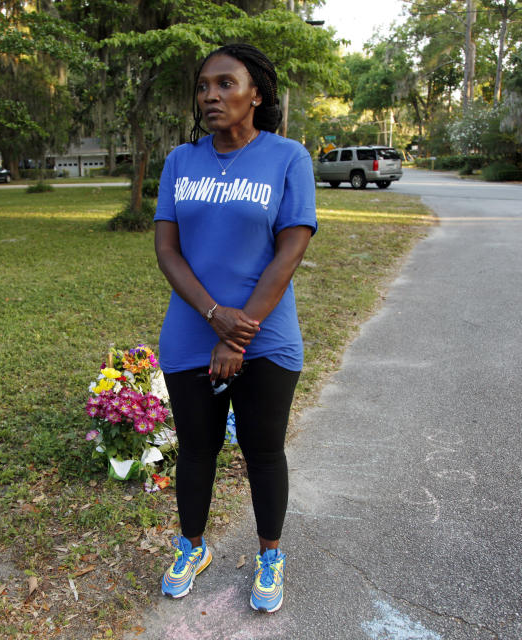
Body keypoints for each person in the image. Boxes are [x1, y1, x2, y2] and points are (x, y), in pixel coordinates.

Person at [153, 43, 317, 613]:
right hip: (191, 332)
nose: (211, 96)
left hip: (265, 336)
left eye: (225, 84)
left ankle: (270, 554)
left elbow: (291, 248)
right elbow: (168, 251)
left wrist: (237, 333)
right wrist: (214, 318)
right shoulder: (181, 160)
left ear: (257, 94)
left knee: (262, 450)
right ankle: (192, 546)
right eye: (203, 86)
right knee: (196, 450)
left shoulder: (288, 158)